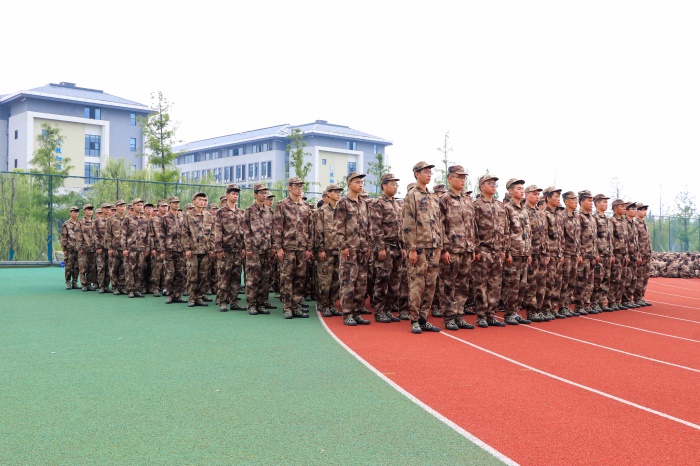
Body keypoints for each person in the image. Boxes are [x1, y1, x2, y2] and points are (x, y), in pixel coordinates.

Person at [402, 161, 444, 334]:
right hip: (419, 247)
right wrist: (411, 249)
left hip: (433, 247)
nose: (428, 174)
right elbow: (408, 224)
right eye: (425, 172)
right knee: (417, 284)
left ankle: (423, 318)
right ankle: (414, 320)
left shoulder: (434, 197)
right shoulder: (412, 195)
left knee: (430, 285)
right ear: (416, 174)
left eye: (430, 172)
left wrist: (440, 246)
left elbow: (439, 223)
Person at [438, 166, 476, 330]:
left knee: (463, 285)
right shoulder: (444, 199)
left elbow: (472, 225)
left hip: (466, 249)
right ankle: (449, 317)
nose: (462, 180)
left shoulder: (467, 200)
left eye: (464, 177)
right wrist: (444, 249)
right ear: (450, 179)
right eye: (459, 177)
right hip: (452, 250)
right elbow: (440, 226)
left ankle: (459, 315)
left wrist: (472, 247)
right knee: (448, 285)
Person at [335, 172, 372, 326]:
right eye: (357, 182)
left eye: (361, 182)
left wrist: (368, 244)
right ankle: (347, 313)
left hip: (362, 249)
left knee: (361, 282)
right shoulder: (343, 203)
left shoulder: (364, 203)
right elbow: (338, 227)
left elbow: (368, 226)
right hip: (349, 249)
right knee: (348, 282)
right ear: (349, 184)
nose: (360, 184)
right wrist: (343, 246)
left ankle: (357, 312)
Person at [273, 177, 312, 319]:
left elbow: (310, 228)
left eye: (301, 186)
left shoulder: (305, 206)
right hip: (288, 248)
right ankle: (287, 307)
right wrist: (278, 248)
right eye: (296, 186)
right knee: (287, 277)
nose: (299, 188)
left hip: (302, 248)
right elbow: (277, 228)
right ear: (289, 187)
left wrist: (309, 248)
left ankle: (297, 306)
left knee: (300, 278)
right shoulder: (282, 205)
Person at [472, 174, 507, 328]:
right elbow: (473, 229)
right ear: (482, 186)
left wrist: (504, 249)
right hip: (484, 250)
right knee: (481, 284)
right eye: (490, 183)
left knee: (495, 284)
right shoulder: (477, 205)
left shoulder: (499, 205)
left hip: (497, 251)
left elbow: (505, 229)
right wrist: (476, 249)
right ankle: (481, 315)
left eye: (495, 184)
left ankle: (491, 314)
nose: (493, 186)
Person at [370, 174, 405, 324]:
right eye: (393, 184)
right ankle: (379, 311)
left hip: (397, 246)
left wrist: (403, 246)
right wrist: (380, 248)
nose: (396, 187)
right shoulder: (378, 203)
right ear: (384, 185)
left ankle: (388, 310)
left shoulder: (397, 204)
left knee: (395, 281)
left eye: (397, 185)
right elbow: (376, 227)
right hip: (386, 246)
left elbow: (401, 226)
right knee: (382, 280)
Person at [502, 178, 533, 325]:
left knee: (522, 285)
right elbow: (505, 232)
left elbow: (528, 232)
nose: (522, 191)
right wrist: (507, 253)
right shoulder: (507, 209)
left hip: (524, 253)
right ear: (510, 191)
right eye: (518, 188)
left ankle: (516, 312)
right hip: (513, 253)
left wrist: (529, 252)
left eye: (522, 188)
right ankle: (509, 313)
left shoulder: (524, 209)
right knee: (512, 285)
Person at [243, 184, 275, 315]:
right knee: (252, 278)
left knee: (265, 278)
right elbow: (246, 231)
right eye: (261, 193)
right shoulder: (249, 210)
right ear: (255, 194)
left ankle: (261, 304)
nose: (264, 195)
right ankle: (251, 304)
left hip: (267, 249)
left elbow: (273, 231)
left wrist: (273, 246)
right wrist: (248, 248)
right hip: (254, 250)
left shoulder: (269, 212)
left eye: (265, 192)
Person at [215, 185, 246, 311]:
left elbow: (244, 231)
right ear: (227, 195)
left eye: (237, 194)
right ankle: (222, 301)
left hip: (237, 249)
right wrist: (218, 249)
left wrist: (244, 247)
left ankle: (234, 301)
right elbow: (218, 231)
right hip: (226, 250)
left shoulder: (241, 212)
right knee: (224, 276)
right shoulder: (220, 212)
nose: (235, 196)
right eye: (233, 193)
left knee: (236, 277)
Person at [314, 185, 343, 317]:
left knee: (336, 281)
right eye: (335, 192)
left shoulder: (342, 210)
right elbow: (318, 232)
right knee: (325, 281)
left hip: (339, 251)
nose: (338, 194)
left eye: (339, 192)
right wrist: (320, 249)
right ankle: (324, 304)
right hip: (327, 251)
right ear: (328, 194)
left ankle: (332, 305)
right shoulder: (322, 211)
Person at [183, 193, 215, 307]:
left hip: (205, 250)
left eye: (204, 200)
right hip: (193, 251)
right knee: (192, 275)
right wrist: (187, 248)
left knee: (204, 275)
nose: (202, 202)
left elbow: (212, 234)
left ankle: (200, 297)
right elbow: (184, 233)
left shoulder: (209, 216)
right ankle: (192, 297)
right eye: (200, 199)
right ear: (194, 201)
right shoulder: (188, 215)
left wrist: (211, 248)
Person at [523, 185, 549, 322]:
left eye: (538, 194)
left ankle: (539, 309)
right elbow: (524, 234)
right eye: (534, 194)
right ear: (526, 195)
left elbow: (545, 234)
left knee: (541, 283)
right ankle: (531, 311)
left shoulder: (541, 213)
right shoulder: (524, 211)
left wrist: (547, 252)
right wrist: (527, 253)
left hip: (541, 253)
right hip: (531, 252)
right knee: (531, 283)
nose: (537, 196)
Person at [574, 191, 599, 314]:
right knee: (581, 281)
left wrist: (596, 253)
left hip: (591, 254)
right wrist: (579, 254)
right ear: (581, 202)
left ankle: (586, 303)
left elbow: (594, 238)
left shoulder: (592, 217)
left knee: (590, 281)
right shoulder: (579, 217)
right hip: (583, 255)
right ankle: (580, 305)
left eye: (592, 201)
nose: (591, 203)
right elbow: (577, 237)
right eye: (589, 201)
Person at [542, 187, 565, 319]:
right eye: (555, 196)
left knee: (557, 282)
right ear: (548, 198)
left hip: (558, 253)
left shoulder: (559, 215)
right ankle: (545, 308)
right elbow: (544, 235)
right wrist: (546, 253)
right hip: (549, 253)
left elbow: (561, 237)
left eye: (558, 196)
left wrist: (561, 253)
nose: (558, 199)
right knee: (548, 282)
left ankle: (552, 307)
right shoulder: (544, 214)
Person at [121, 198, 150, 298]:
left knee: (139, 269)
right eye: (137, 205)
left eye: (141, 205)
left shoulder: (145, 219)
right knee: (130, 270)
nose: (140, 207)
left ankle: (137, 289)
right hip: (131, 249)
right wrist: (124, 248)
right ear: (133, 206)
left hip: (141, 249)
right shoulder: (127, 219)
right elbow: (123, 235)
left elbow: (148, 236)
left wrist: (147, 249)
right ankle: (130, 290)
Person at [161, 196, 187, 304]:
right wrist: (162, 250)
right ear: (169, 204)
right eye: (174, 203)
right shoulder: (165, 218)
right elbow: (161, 235)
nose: (176, 204)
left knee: (180, 273)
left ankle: (178, 295)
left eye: (177, 203)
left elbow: (186, 233)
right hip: (169, 250)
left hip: (180, 249)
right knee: (170, 273)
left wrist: (186, 247)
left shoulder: (182, 217)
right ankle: (169, 295)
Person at [559, 191, 581, 317]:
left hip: (574, 253)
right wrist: (561, 253)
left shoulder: (576, 216)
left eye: (576, 199)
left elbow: (578, 237)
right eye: (573, 199)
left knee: (572, 281)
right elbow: (561, 236)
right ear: (566, 201)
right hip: (566, 253)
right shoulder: (562, 216)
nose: (576, 202)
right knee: (565, 280)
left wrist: (579, 253)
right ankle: (561, 306)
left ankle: (566, 305)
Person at [592, 194, 614, 312]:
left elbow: (610, 239)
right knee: (597, 279)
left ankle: (602, 302)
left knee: (606, 279)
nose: (606, 204)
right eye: (604, 202)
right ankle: (594, 302)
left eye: (606, 202)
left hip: (607, 254)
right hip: (599, 254)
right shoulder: (594, 218)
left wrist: (611, 253)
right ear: (597, 203)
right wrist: (595, 252)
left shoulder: (608, 219)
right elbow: (593, 237)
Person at [609, 199, 630, 310]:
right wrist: (611, 254)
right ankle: (612, 301)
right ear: (615, 208)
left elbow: (626, 240)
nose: (624, 208)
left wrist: (627, 254)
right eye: (622, 206)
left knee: (622, 279)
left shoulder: (624, 222)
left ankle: (618, 300)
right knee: (615, 279)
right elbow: (610, 239)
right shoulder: (611, 221)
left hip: (623, 255)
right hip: (616, 254)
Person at [634, 203, 653, 306]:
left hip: (647, 254)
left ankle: (641, 296)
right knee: (639, 276)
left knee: (645, 277)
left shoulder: (644, 223)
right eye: (642, 210)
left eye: (645, 210)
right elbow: (635, 241)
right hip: (640, 255)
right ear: (637, 211)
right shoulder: (635, 223)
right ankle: (637, 298)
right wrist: (637, 255)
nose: (644, 212)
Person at [77, 204, 98, 291]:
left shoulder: (94, 222)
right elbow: (78, 236)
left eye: (91, 210)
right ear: (84, 211)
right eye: (88, 210)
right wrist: (80, 248)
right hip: (84, 249)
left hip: (93, 248)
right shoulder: (81, 222)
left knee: (91, 267)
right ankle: (84, 284)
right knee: (83, 267)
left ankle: (89, 283)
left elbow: (96, 235)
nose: (90, 211)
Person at [60, 206, 81, 289]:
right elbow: (63, 237)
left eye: (77, 212)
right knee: (69, 266)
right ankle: (68, 282)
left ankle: (75, 282)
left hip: (78, 248)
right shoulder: (66, 224)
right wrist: (64, 249)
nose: (76, 213)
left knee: (77, 266)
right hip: (69, 249)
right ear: (70, 213)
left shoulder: (79, 223)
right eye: (74, 212)